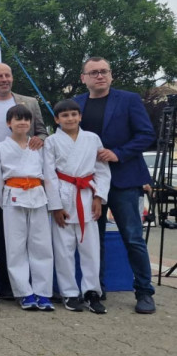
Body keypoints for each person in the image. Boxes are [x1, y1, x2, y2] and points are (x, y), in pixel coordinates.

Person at [73, 57, 157, 314]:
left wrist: (118, 153)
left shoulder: (129, 100)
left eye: (104, 71)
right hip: (90, 183)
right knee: (93, 239)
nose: (100, 76)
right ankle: (96, 289)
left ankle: (144, 292)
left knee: (132, 238)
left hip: (124, 179)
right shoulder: (76, 104)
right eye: (94, 72)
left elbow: (146, 134)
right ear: (83, 78)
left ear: (111, 75)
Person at [0, 63, 48, 300]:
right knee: (2, 234)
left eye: (7, 75)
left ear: (12, 78)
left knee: (35, 240)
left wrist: (39, 140)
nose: (4, 79)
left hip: (28, 174)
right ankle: (6, 283)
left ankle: (38, 288)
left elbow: (42, 131)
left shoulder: (29, 102)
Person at [44, 99, 111, 314]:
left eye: (74, 114)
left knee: (90, 248)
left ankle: (92, 292)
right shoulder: (52, 141)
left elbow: (102, 170)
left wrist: (98, 197)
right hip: (63, 195)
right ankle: (69, 293)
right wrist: (55, 206)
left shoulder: (92, 138)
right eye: (65, 115)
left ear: (80, 116)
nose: (70, 118)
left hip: (87, 195)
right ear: (57, 119)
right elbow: (48, 175)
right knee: (64, 249)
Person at [0, 105, 54, 311]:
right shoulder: (1, 147)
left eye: (26, 119)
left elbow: (48, 172)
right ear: (9, 123)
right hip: (12, 197)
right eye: (17, 119)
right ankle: (24, 292)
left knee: (41, 245)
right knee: (16, 247)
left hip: (38, 196)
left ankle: (43, 293)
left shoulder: (38, 146)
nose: (22, 122)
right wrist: (5, 198)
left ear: (31, 123)